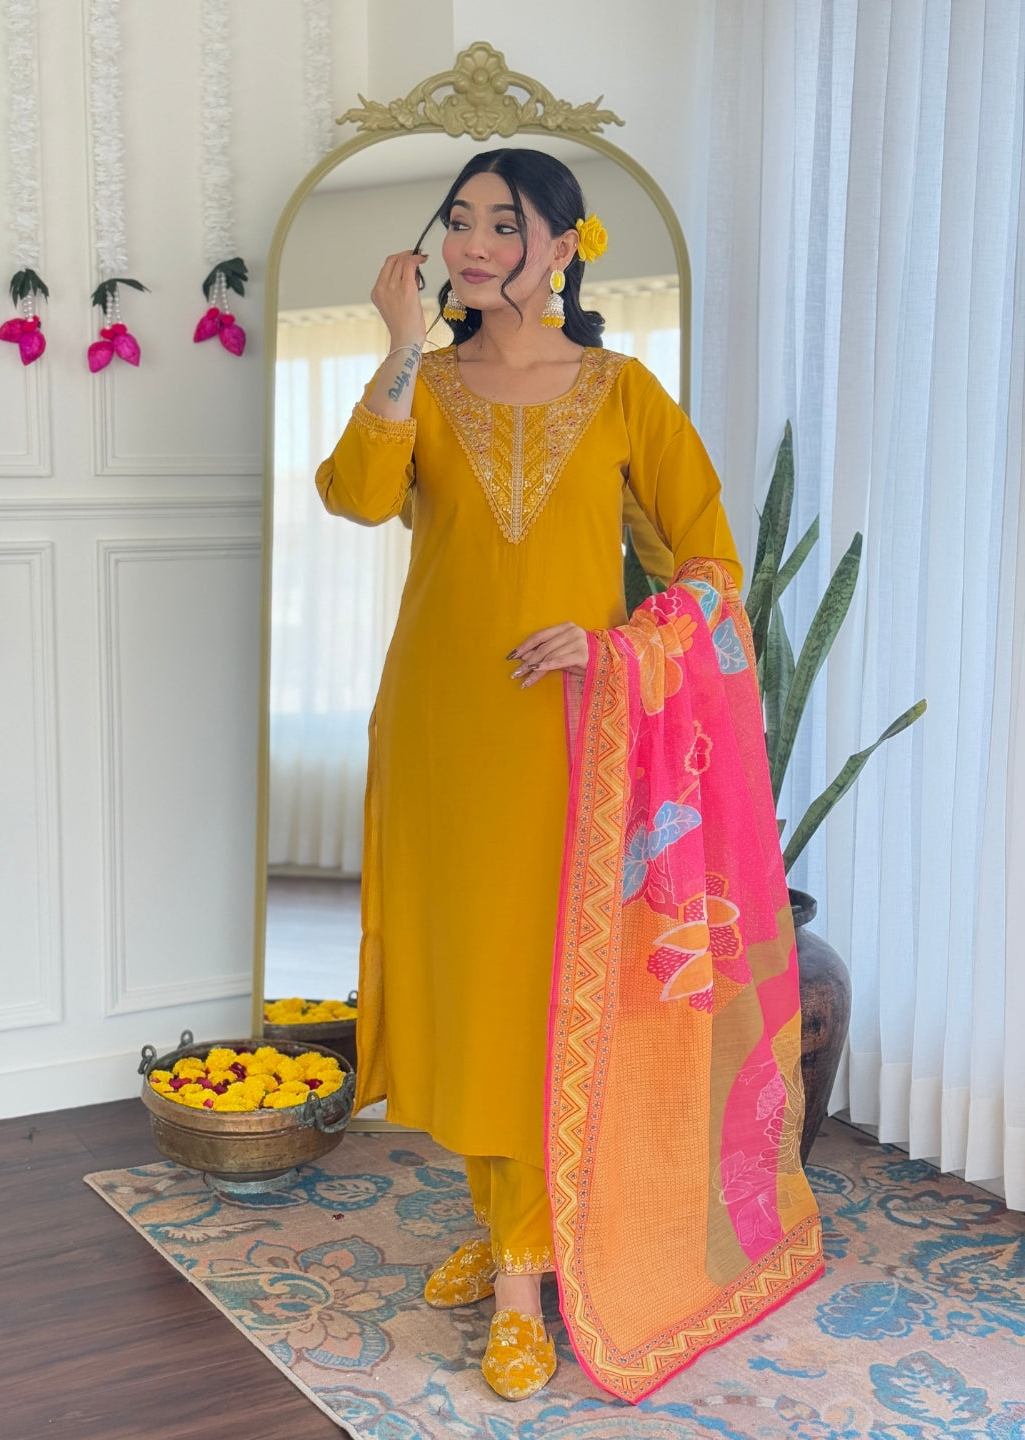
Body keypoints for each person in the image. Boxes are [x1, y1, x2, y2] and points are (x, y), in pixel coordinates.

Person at [316, 148, 822, 1404]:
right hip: (442, 735)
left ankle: (524, 1281)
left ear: (566, 247)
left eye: (508, 222)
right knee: (469, 984)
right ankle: (509, 1231)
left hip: (575, 746)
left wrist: (614, 649)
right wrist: (391, 342)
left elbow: (712, 573)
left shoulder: (622, 392)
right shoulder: (422, 384)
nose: (478, 243)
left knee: (543, 991)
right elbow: (356, 495)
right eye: (463, 221)